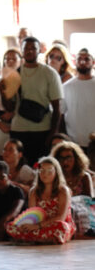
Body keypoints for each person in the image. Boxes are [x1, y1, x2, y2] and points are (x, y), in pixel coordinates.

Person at [9, 36, 63, 166]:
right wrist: (2, 91)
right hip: (19, 129)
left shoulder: (49, 73)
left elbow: (57, 107)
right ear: (21, 51)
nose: (29, 51)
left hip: (42, 129)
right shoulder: (14, 74)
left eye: (33, 48)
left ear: (39, 50)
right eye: (26, 48)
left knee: (40, 168)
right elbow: (9, 107)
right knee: (20, 168)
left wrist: (52, 133)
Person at [7, 156, 75, 244]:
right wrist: (30, 226)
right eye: (42, 170)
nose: (45, 174)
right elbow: (33, 215)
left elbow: (61, 217)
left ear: (56, 172)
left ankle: (32, 238)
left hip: (55, 224)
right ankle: (42, 238)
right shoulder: (34, 191)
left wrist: (37, 226)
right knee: (11, 226)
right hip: (38, 225)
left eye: (49, 171)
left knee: (61, 227)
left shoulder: (63, 191)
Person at [62, 48, 95, 150]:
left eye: (86, 59)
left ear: (93, 62)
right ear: (74, 62)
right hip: (74, 142)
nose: (82, 62)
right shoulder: (66, 86)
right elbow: (61, 113)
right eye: (79, 59)